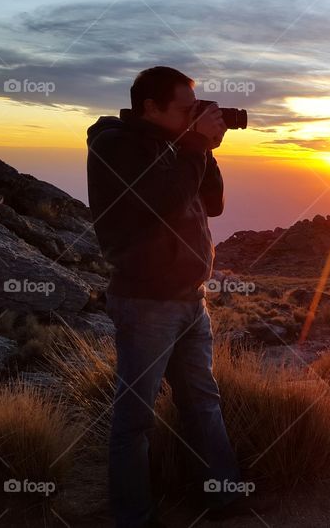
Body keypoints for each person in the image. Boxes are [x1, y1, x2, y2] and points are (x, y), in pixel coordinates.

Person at [86, 66, 242, 527]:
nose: (192, 116)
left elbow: (211, 204)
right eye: (185, 109)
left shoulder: (175, 145)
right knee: (136, 417)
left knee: (202, 401)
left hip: (189, 299)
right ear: (149, 107)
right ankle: (133, 516)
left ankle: (223, 496)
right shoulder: (116, 145)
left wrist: (205, 148)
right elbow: (163, 202)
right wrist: (193, 144)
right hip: (146, 301)